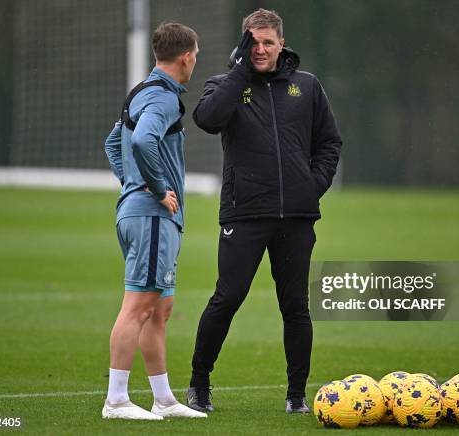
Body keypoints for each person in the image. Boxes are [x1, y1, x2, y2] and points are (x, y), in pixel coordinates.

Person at [186, 9, 342, 413]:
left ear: (281, 44)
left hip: (297, 217)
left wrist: (313, 185)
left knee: (295, 307)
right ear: (243, 44)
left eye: (268, 42)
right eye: (252, 42)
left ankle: (296, 397)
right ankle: (199, 386)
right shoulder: (225, 84)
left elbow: (329, 142)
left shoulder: (306, 87)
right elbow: (206, 119)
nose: (260, 49)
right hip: (245, 214)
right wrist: (239, 71)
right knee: (228, 297)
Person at [102, 22, 206, 420]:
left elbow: (114, 142)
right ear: (187, 57)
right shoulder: (161, 98)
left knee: (159, 308)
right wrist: (156, 187)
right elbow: (144, 140)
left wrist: (131, 182)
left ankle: (163, 398)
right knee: (139, 306)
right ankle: (116, 400)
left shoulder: (142, 91)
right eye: (195, 54)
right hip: (151, 216)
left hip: (143, 213)